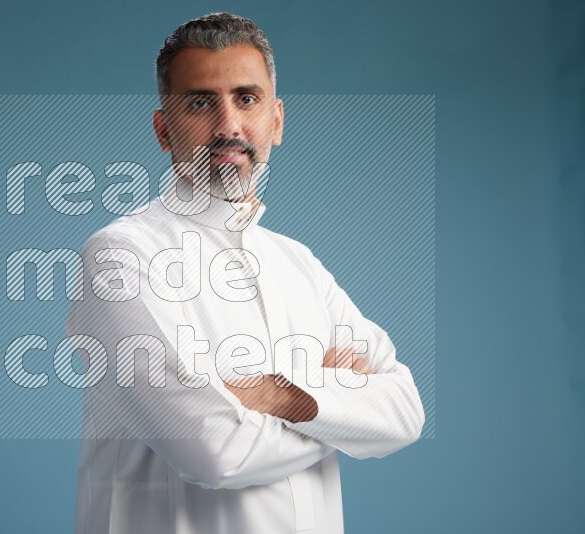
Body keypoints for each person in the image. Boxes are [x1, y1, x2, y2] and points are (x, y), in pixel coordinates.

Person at [65, 12, 424, 533]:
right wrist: (341, 409)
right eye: (200, 103)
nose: (228, 125)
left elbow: (405, 412)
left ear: (276, 122)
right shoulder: (121, 257)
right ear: (163, 130)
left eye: (247, 99)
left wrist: (277, 394)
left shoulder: (298, 264)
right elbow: (216, 452)